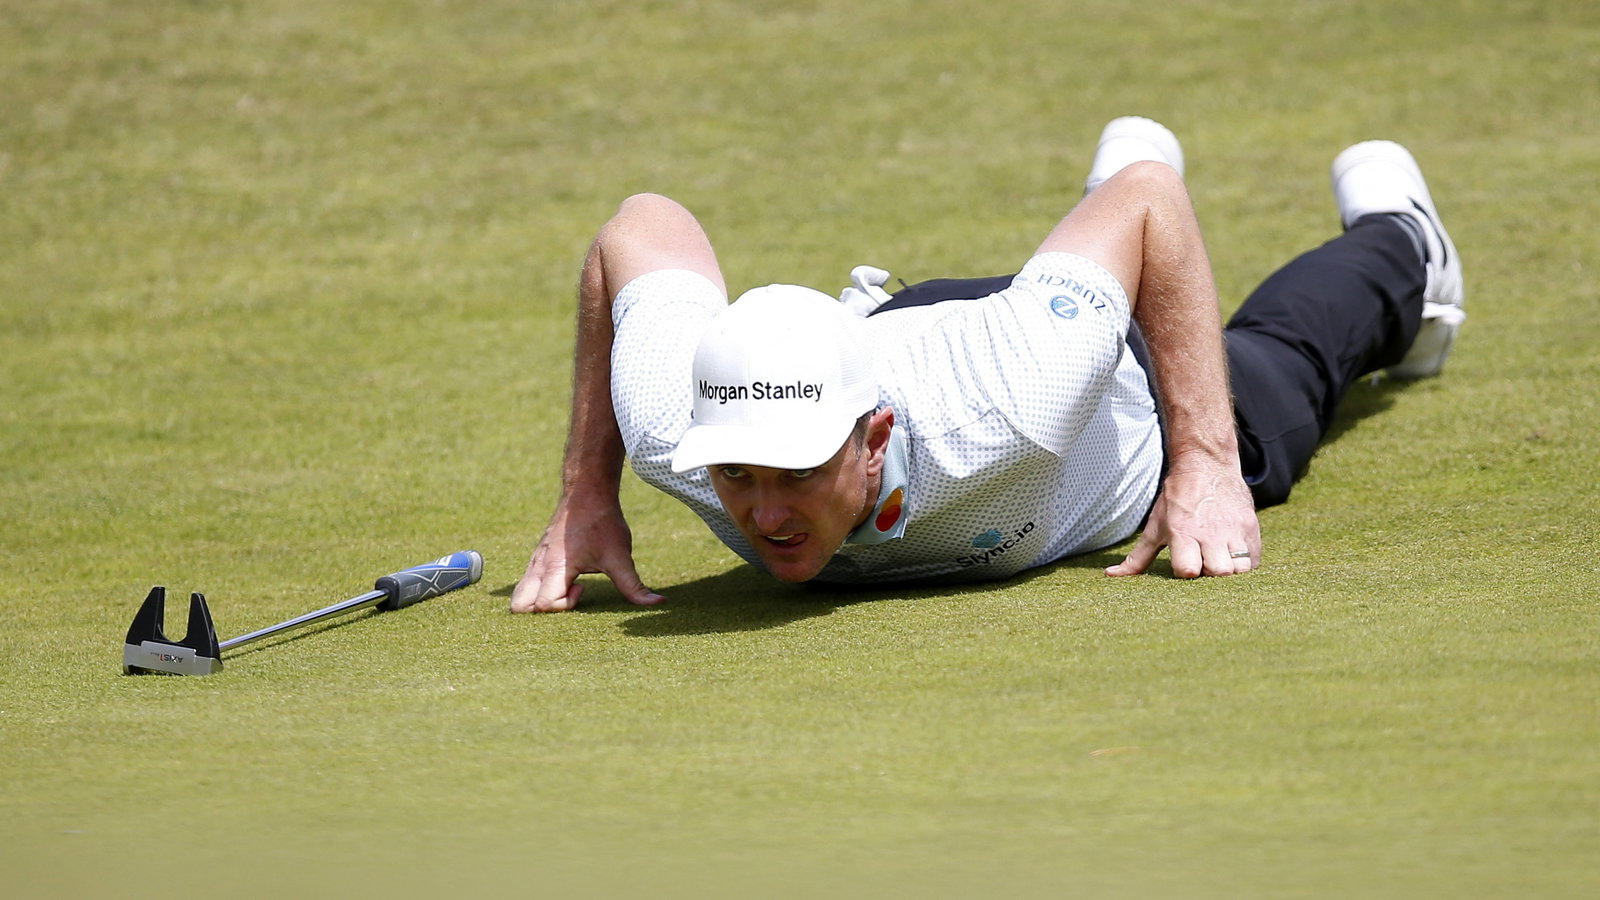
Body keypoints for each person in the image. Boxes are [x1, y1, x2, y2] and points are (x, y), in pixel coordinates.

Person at [510, 117, 1464, 613]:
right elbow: (639, 226)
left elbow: (1153, 196)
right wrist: (586, 491)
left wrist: (1207, 461)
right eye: (741, 475)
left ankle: (1404, 242)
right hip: (902, 329)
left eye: (796, 472)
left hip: (1077, 395)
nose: (759, 511)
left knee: (1280, 366)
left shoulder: (1019, 400)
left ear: (871, 438)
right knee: (1077, 293)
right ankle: (1084, 258)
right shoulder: (677, 430)